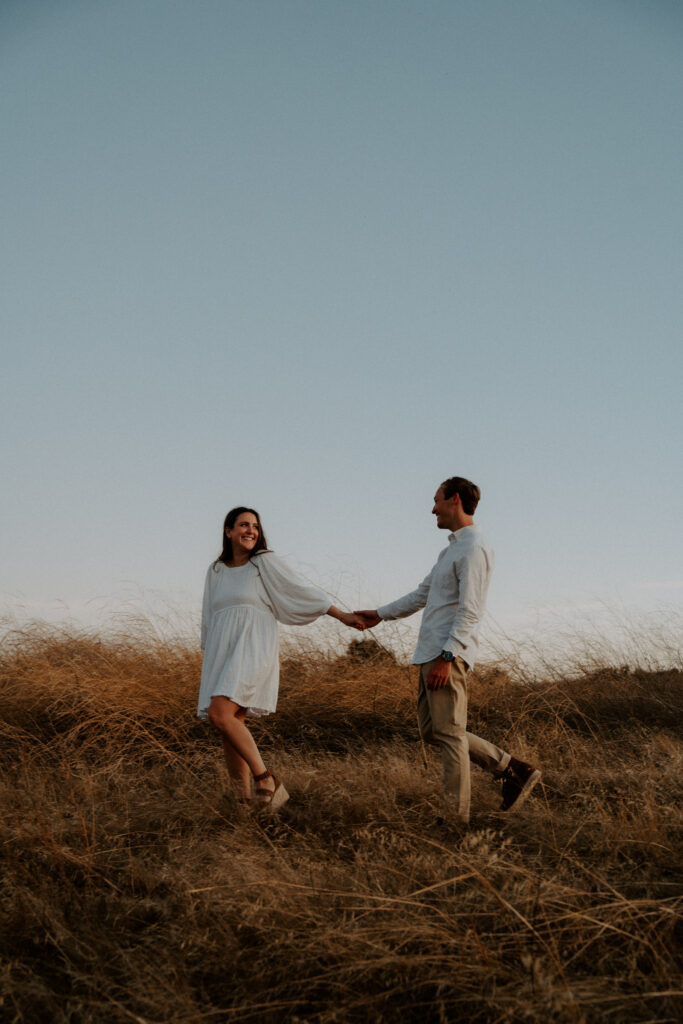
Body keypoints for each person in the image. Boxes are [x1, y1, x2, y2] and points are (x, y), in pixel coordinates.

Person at [355, 477, 541, 825]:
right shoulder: (450, 551)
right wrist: (379, 614)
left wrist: (449, 655)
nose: (432, 508)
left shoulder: (475, 548)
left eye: (436, 500)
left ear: (454, 499)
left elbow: (471, 609)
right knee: (434, 730)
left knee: (451, 733)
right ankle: (512, 768)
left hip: (445, 656)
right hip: (430, 654)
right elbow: (421, 594)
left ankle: (455, 819)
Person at [198, 506, 365, 813]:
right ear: (228, 531)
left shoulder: (263, 563)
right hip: (222, 651)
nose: (250, 530)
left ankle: (266, 779)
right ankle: (243, 805)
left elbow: (299, 588)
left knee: (220, 714)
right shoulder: (216, 570)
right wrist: (209, 654)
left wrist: (341, 615)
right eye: (243, 525)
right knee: (229, 724)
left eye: (255, 526)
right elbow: (209, 613)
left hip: (253, 647)